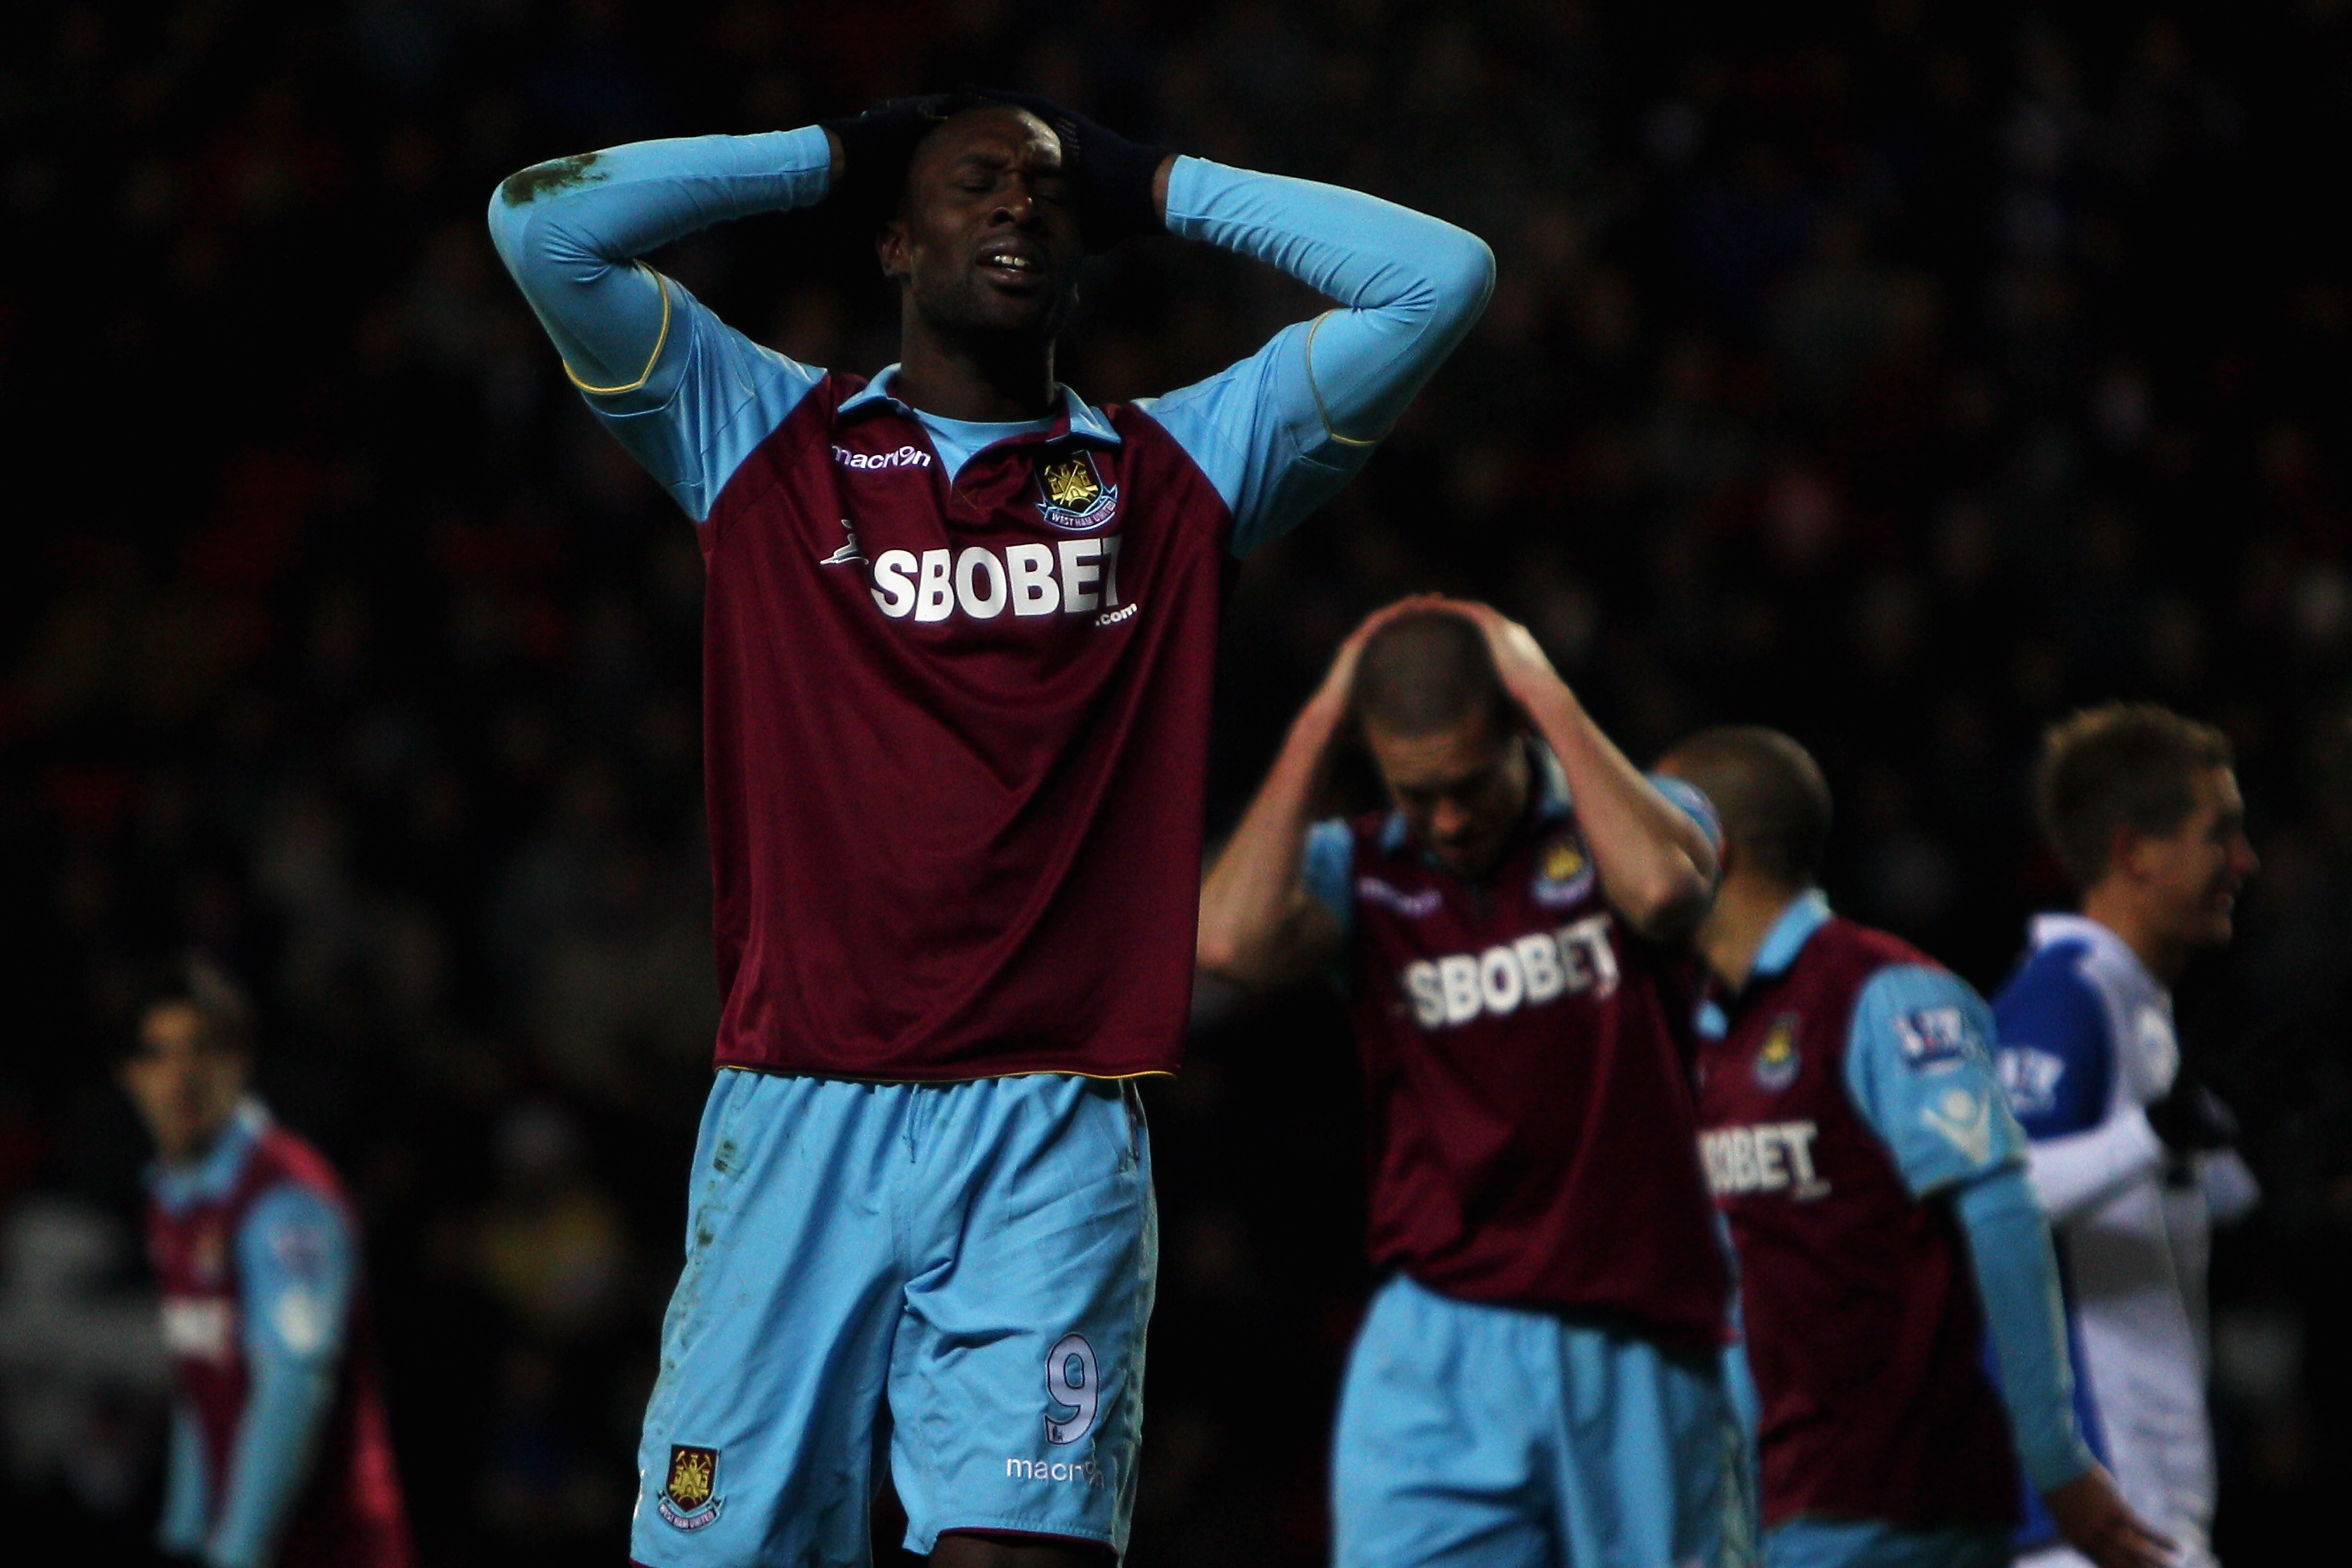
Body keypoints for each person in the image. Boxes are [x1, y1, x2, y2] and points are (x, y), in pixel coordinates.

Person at [490, 90, 1491, 1567]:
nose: (1019, 206)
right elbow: (540, 221)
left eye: (1046, 191)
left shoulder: (1175, 470)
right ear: (897, 242)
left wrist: (1153, 179)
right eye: (973, 185)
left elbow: (1440, 276)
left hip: (1048, 1123)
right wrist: (835, 152)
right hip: (799, 1109)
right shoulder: (762, 433)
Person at [1197, 598, 1737, 1568]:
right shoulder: (1356, 872)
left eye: (1470, 786)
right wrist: (1322, 720)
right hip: (1437, 1346)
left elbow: (1665, 889)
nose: (1447, 819)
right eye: (1417, 793)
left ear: (1523, 730)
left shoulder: (1642, 824)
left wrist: (1548, 695)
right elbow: (1227, 940)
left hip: (1635, 1334)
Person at [1655, 727, 2167, 1568]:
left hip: (1895, 1507)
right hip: (1769, 1516)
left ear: (1711, 845)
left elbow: (2002, 1212)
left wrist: (2054, 1457)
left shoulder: (1881, 993)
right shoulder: (1707, 1025)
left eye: (1645, 817)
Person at [1991, 705, 2262, 1568]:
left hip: (2149, 1503)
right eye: (2218, 835)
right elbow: (1993, 1193)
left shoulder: (2139, 1003)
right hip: (2095, 1513)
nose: (2242, 862)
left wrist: (2242, 1174)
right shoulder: (2062, 995)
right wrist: (2154, 1134)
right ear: (2132, 850)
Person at [118, 957, 410, 1568]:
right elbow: (201, 1384)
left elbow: (293, 1387)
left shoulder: (286, 1198)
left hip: (334, 1549)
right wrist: (183, 1534)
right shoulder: (169, 1200)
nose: (181, 1077)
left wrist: (237, 1550)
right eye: (158, 1055)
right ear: (130, 1077)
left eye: (202, 1049)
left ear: (241, 1063)